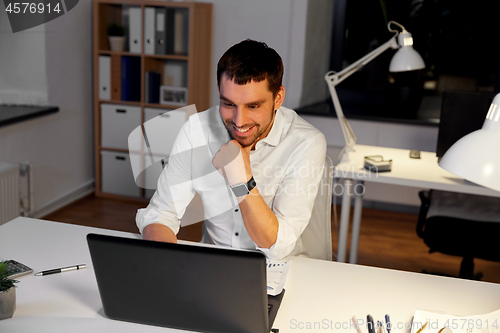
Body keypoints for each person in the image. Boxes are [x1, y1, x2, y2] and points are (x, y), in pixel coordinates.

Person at [136, 39, 327, 260]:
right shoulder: (197, 130)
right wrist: (164, 263)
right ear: (219, 91)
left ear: (278, 98)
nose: (239, 120)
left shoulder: (305, 142)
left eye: (253, 106)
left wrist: (242, 180)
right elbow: (161, 214)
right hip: (213, 264)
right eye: (228, 104)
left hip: (276, 268)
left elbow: (278, 245)